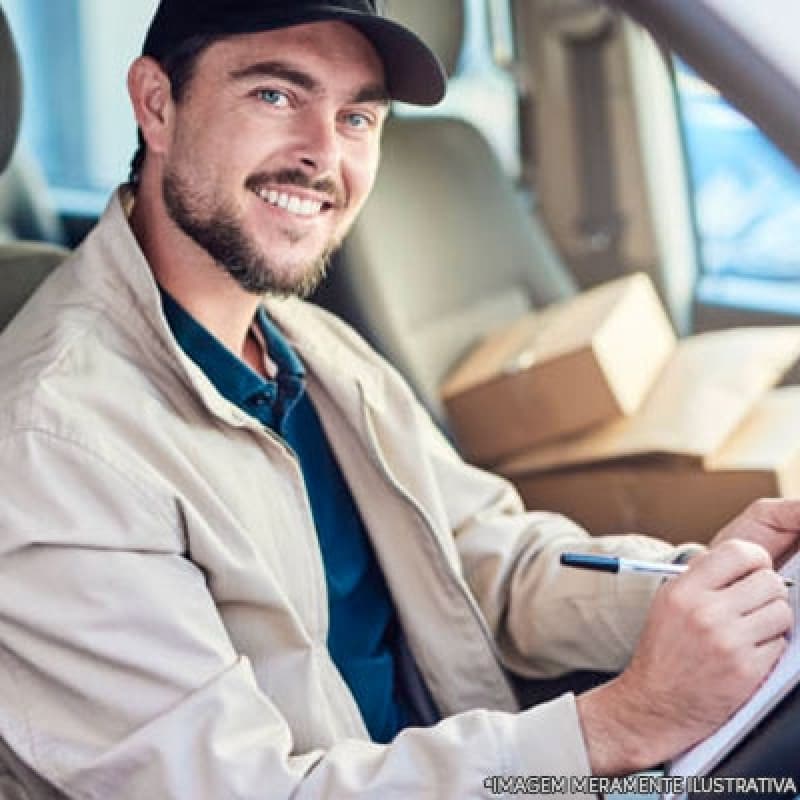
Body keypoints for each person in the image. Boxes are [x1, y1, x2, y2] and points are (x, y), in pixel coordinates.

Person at [0, 1, 796, 797]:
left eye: (356, 117)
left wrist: (713, 588)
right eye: (275, 95)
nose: (322, 156)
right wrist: (619, 725)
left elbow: (488, 556)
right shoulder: (57, 441)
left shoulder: (309, 344)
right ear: (156, 104)